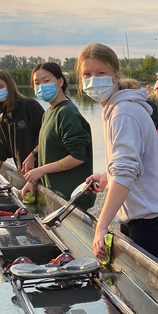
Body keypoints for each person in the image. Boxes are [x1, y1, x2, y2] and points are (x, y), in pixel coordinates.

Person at [76, 43, 158, 262]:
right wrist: (106, 176)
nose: (93, 79)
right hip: (136, 216)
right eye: (87, 74)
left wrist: (101, 226)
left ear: (115, 76)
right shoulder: (113, 108)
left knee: (143, 291)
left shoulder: (123, 112)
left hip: (150, 220)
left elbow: (125, 173)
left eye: (101, 73)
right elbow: (130, 161)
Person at [21, 62, 94, 212]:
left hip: (70, 198)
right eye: (37, 83)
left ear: (60, 82)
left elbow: (77, 157)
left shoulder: (68, 113)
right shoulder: (49, 112)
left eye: (46, 81)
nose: (41, 86)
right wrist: (33, 157)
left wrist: (41, 170)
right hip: (54, 195)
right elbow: (51, 140)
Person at [0, 70, 44, 185]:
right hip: (26, 175)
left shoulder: (29, 106)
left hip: (43, 172)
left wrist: (33, 156)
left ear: (9, 86)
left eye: (0, 86)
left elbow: (45, 137)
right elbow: (1, 149)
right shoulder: (4, 119)